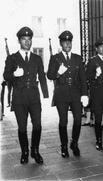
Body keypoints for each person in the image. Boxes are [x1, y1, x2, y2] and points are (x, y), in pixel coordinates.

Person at [3, 26, 49, 164]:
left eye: (29, 40)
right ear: (19, 41)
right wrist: (13, 75)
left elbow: (42, 76)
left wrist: (46, 95)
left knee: (38, 126)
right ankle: (25, 152)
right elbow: (5, 76)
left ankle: (35, 150)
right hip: (19, 98)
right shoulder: (12, 58)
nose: (27, 42)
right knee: (22, 127)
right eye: (24, 39)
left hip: (34, 97)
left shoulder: (36, 58)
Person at [47, 30, 88, 157]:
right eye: (65, 42)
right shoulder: (55, 58)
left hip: (75, 93)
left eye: (69, 42)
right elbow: (49, 75)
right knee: (63, 121)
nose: (68, 44)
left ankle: (74, 143)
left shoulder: (77, 58)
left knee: (77, 120)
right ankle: (64, 145)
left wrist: (85, 94)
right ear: (61, 43)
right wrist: (58, 73)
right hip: (61, 94)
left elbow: (83, 78)